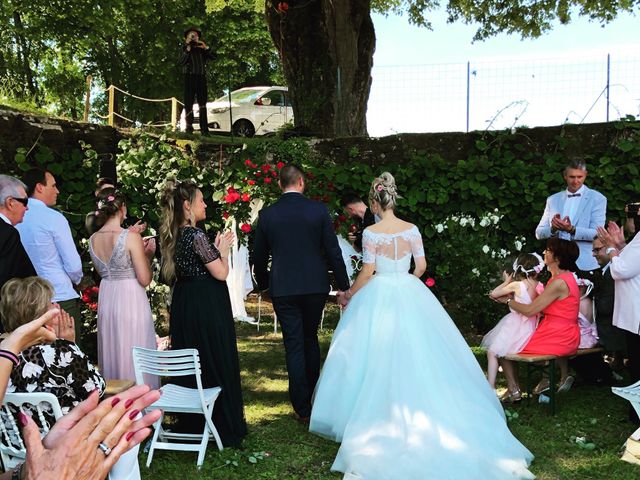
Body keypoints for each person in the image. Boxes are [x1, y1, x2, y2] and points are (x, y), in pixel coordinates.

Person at [310, 172, 534, 480]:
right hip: (409, 289)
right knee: (422, 350)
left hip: (380, 290)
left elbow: (369, 270)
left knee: (371, 352)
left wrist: (349, 293)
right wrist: (408, 284)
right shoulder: (412, 228)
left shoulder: (372, 232)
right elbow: (422, 266)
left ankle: (373, 414)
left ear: (375, 201)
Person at [0, 279, 160, 480]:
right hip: (65, 444)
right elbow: (97, 389)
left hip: (14, 442)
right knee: (131, 417)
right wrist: (71, 344)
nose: (57, 306)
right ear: (39, 314)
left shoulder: (4, 355)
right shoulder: (61, 350)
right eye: (51, 302)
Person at [253, 165, 350, 422]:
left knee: (293, 344)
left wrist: (263, 285)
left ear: (279, 185)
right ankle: (315, 396)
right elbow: (333, 250)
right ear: (301, 182)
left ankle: (302, 406)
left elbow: (259, 257)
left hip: (284, 287)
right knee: (310, 339)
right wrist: (343, 285)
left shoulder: (268, 215)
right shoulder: (317, 210)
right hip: (314, 285)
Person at [159, 179, 246, 446]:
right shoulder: (196, 236)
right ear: (187, 206)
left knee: (194, 355)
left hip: (186, 303)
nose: (205, 204)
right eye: (201, 200)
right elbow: (220, 272)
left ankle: (195, 421)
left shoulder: (175, 235)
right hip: (206, 306)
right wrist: (222, 250)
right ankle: (221, 422)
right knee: (212, 356)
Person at [89, 190, 158, 387]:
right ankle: (140, 402)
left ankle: (116, 404)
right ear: (121, 209)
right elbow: (144, 278)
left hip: (108, 295)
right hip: (130, 296)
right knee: (135, 346)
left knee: (113, 347)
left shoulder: (94, 238)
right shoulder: (131, 237)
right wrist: (148, 255)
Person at [498, 238, 581, 397]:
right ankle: (552, 378)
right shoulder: (562, 278)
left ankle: (514, 390)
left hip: (558, 334)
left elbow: (530, 311)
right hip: (563, 331)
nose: (544, 252)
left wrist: (508, 301)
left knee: (504, 348)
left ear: (557, 258)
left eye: (548, 250)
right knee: (514, 343)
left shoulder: (558, 282)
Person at [17, 168, 84, 344]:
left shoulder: (13, 217)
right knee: (67, 352)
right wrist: (77, 280)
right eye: (53, 186)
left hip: (25, 297)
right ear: (39, 187)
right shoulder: (54, 218)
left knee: (33, 355)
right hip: (58, 295)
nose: (57, 191)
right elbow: (73, 265)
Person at [597, 209, 640, 424]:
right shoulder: (637, 240)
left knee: (638, 365)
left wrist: (613, 249)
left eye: (631, 218)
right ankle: (635, 411)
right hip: (633, 315)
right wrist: (621, 246)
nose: (628, 222)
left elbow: (621, 270)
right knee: (635, 363)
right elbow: (630, 262)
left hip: (637, 313)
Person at [481, 253, 544, 394]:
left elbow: (494, 294)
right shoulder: (539, 285)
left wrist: (506, 281)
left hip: (516, 325)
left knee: (492, 352)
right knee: (502, 352)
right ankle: (512, 389)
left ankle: (490, 387)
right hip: (531, 327)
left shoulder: (517, 285)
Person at [535, 159, 606, 273]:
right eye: (572, 177)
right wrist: (553, 229)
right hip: (557, 265)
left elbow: (596, 233)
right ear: (565, 176)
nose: (576, 181)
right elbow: (539, 233)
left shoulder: (597, 198)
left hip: (585, 263)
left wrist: (572, 230)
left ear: (585, 175)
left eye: (580, 177)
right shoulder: (553, 199)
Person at [0, 175, 36, 323]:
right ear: (10, 202)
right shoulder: (7, 233)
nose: (27, 207)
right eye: (24, 201)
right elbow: (6, 280)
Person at [591, 235, 626, 369]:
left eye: (597, 250)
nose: (594, 254)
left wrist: (587, 304)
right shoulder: (609, 270)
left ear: (609, 248)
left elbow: (606, 306)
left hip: (612, 329)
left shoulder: (612, 272)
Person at [178, 27, 215, 135]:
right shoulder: (184, 49)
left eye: (195, 35)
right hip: (189, 77)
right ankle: (189, 127)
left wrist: (206, 47)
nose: (194, 37)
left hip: (201, 78)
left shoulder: (201, 49)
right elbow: (180, 62)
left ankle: (204, 129)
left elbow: (213, 57)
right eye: (191, 35)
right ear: (187, 38)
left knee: (202, 104)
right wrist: (187, 49)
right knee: (188, 103)